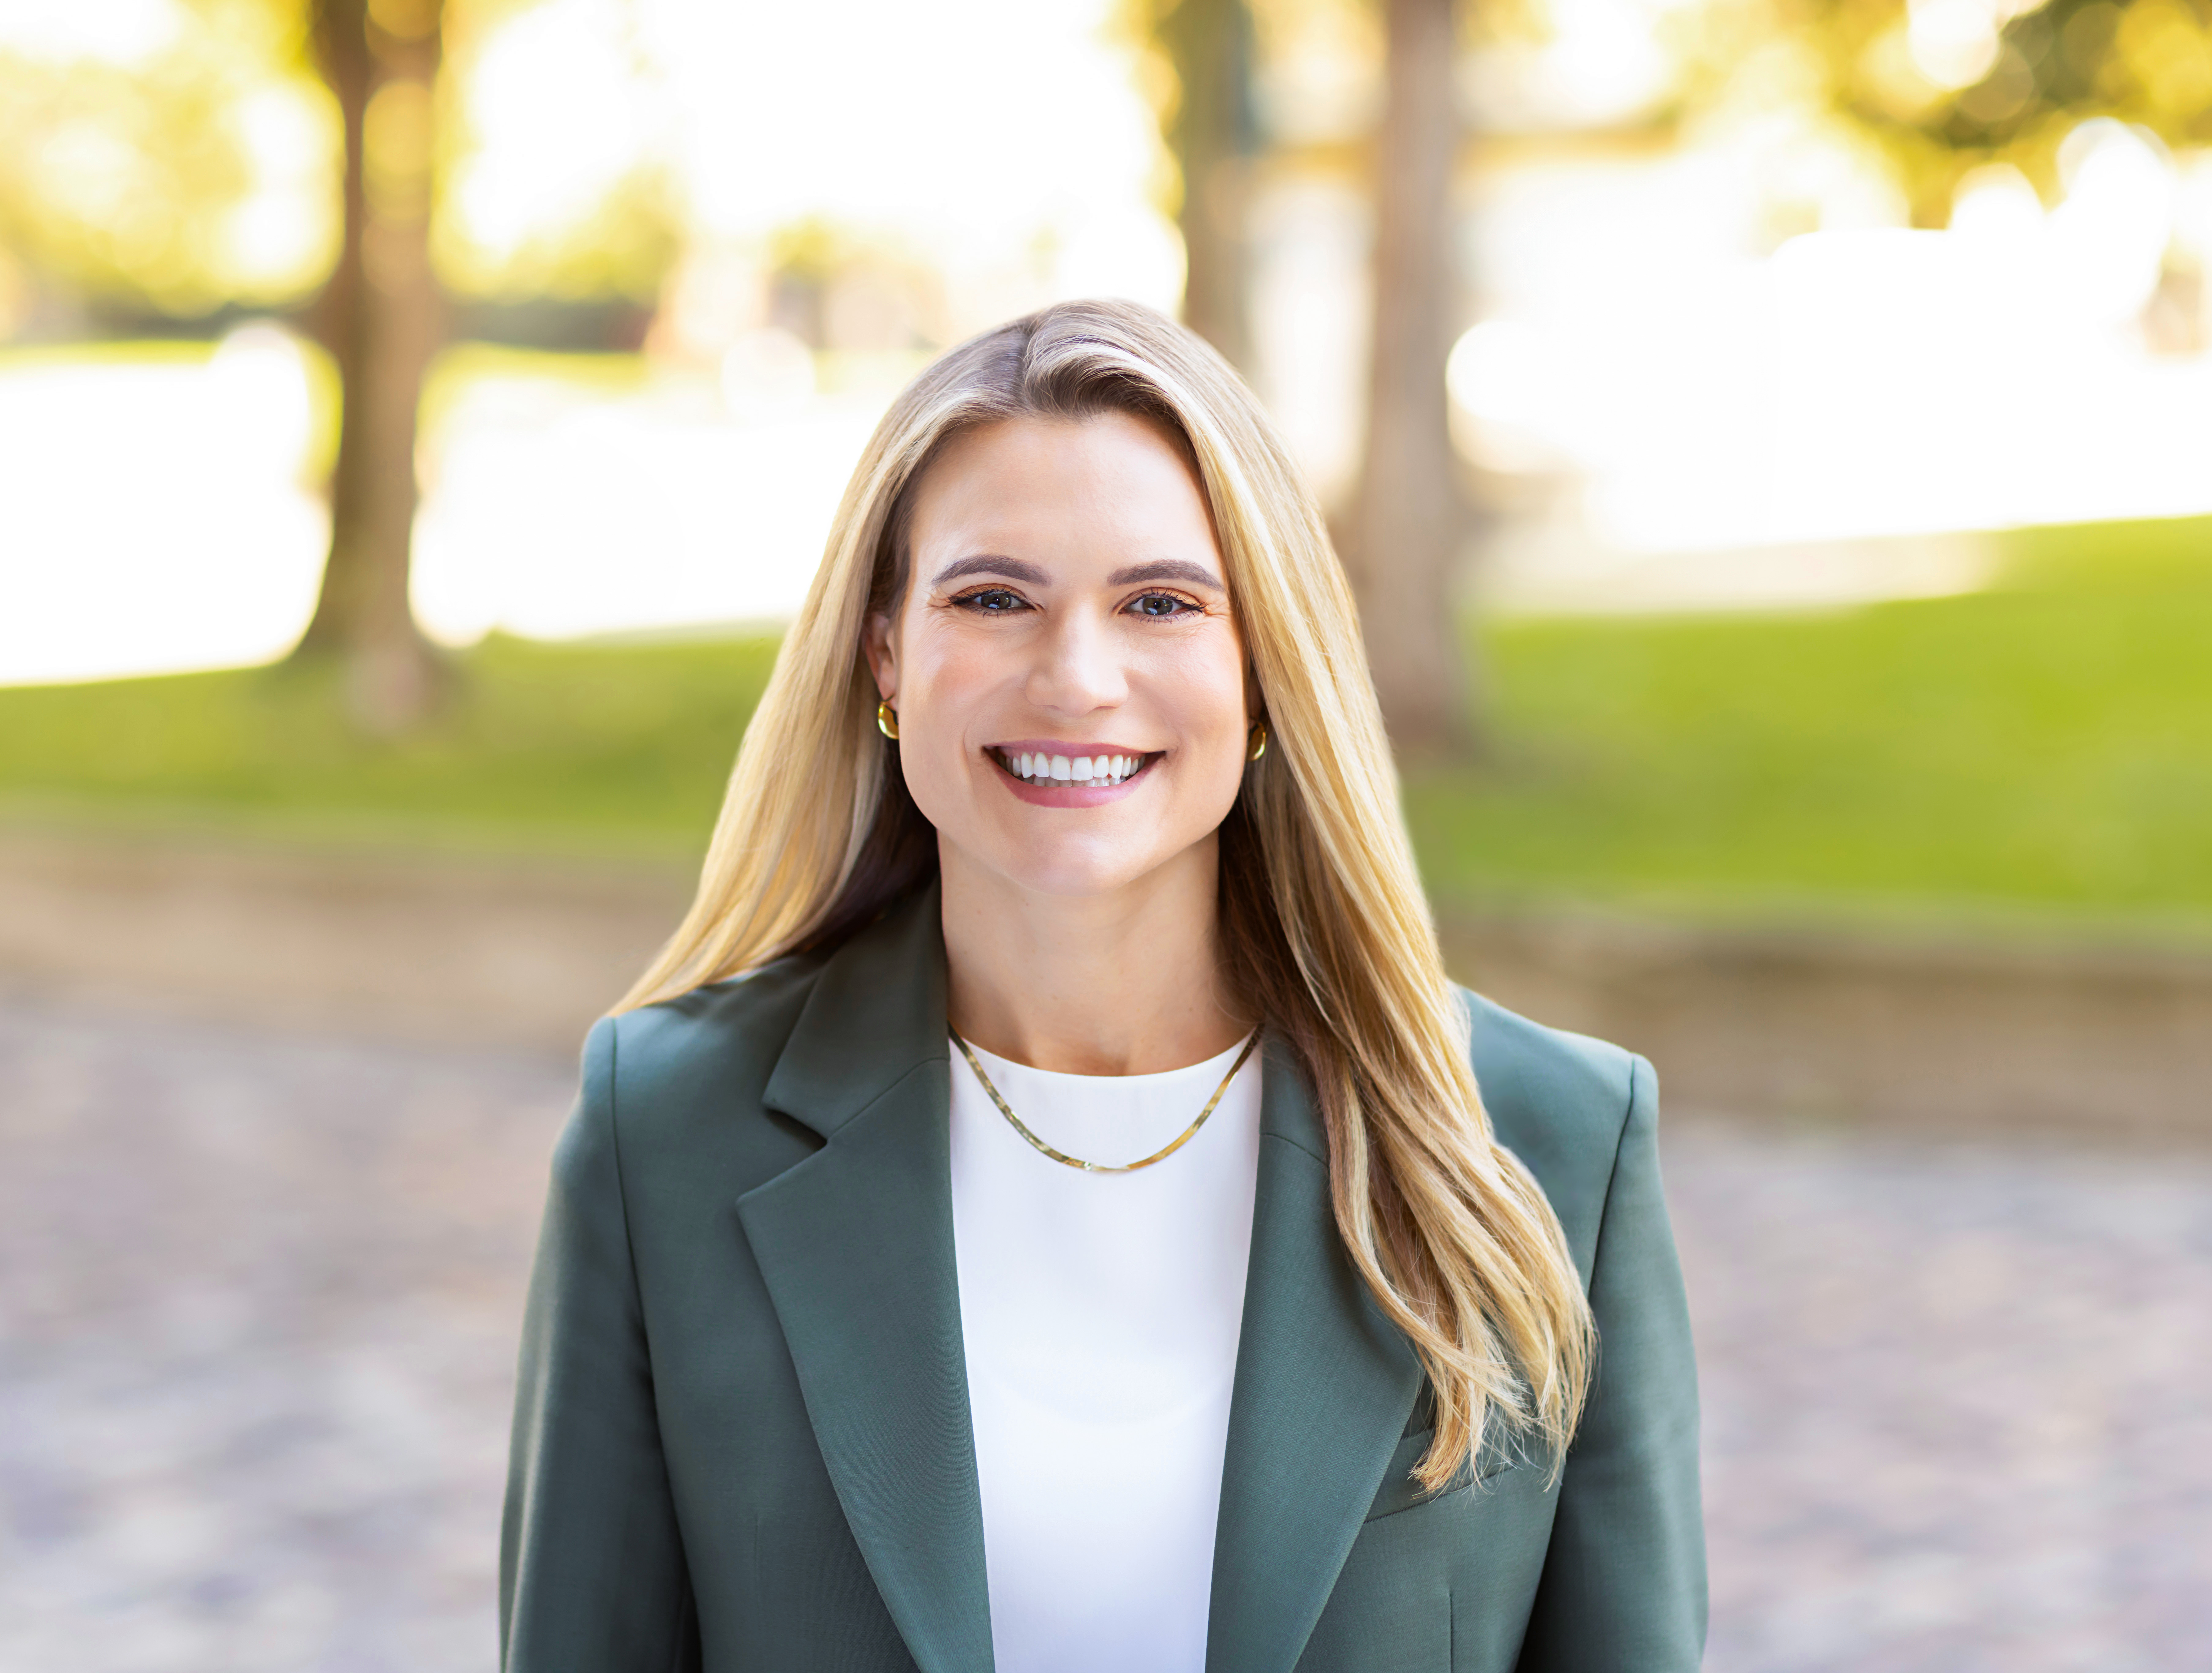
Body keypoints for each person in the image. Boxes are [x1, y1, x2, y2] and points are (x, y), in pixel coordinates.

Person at [501, 300, 1704, 1672]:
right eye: (992, 597)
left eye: (1160, 602)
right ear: (884, 649)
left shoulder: (1549, 1143)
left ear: (1263, 669)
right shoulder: (664, 1134)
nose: (1075, 677)